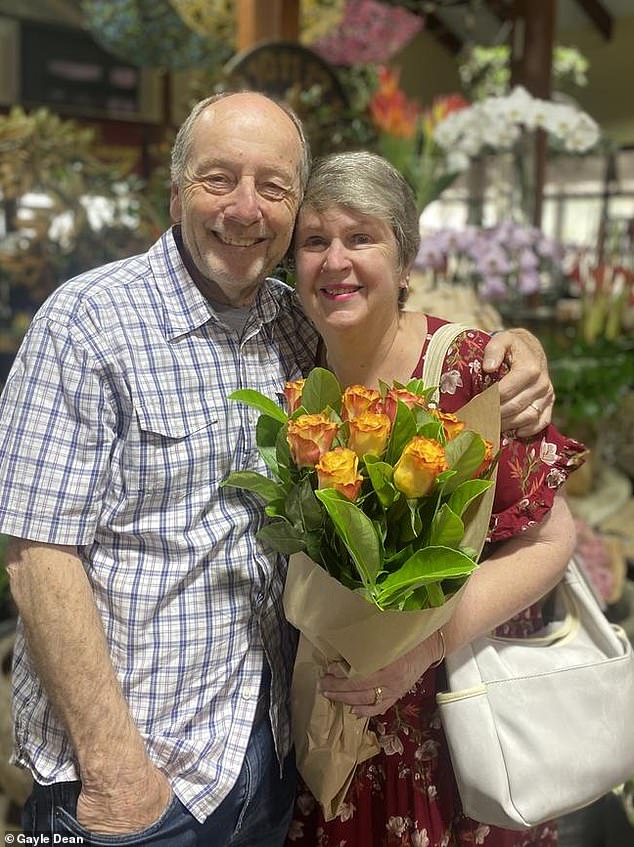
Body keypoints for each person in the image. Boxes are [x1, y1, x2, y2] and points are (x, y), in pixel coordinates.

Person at [0, 92, 552, 847]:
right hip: (138, 782)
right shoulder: (88, 321)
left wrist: (519, 343)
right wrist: (115, 768)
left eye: (273, 187)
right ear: (175, 192)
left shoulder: (300, 327)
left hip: (274, 756)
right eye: (218, 179)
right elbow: (35, 555)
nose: (244, 208)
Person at [286, 151, 586, 847]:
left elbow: (551, 539)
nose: (336, 260)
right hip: (338, 738)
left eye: (362, 237)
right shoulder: (297, 379)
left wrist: (423, 647)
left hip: (462, 732)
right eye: (314, 241)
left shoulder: (471, 371)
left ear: (406, 261)